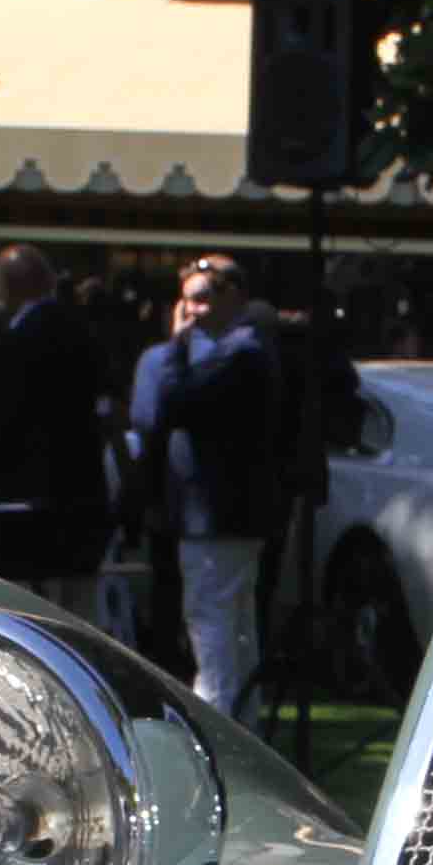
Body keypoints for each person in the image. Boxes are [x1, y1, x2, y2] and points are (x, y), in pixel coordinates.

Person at [127, 254, 287, 714]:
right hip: (223, 516)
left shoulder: (242, 353)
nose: (190, 310)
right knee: (235, 631)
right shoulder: (244, 350)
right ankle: (244, 727)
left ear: (233, 296)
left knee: (214, 631)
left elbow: (174, 403)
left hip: (217, 516)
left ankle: (217, 730)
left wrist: (175, 345)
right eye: (186, 301)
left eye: (200, 299)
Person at [0, 242, 109, 595]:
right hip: (84, 493)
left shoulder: (18, 341)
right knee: (75, 606)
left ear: (9, 287)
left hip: (29, 497)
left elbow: (4, 413)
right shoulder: (82, 329)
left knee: (28, 604)